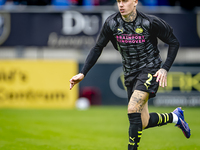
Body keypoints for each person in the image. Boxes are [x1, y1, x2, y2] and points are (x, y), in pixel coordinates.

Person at [69, 0, 191, 149]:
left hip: (150, 69)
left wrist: (164, 68)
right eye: (118, 1)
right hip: (129, 72)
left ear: (135, 2)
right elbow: (97, 47)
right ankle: (175, 117)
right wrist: (83, 73)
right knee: (143, 122)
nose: (121, 4)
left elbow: (174, 42)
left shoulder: (150, 22)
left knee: (133, 108)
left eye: (125, 1)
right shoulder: (112, 23)